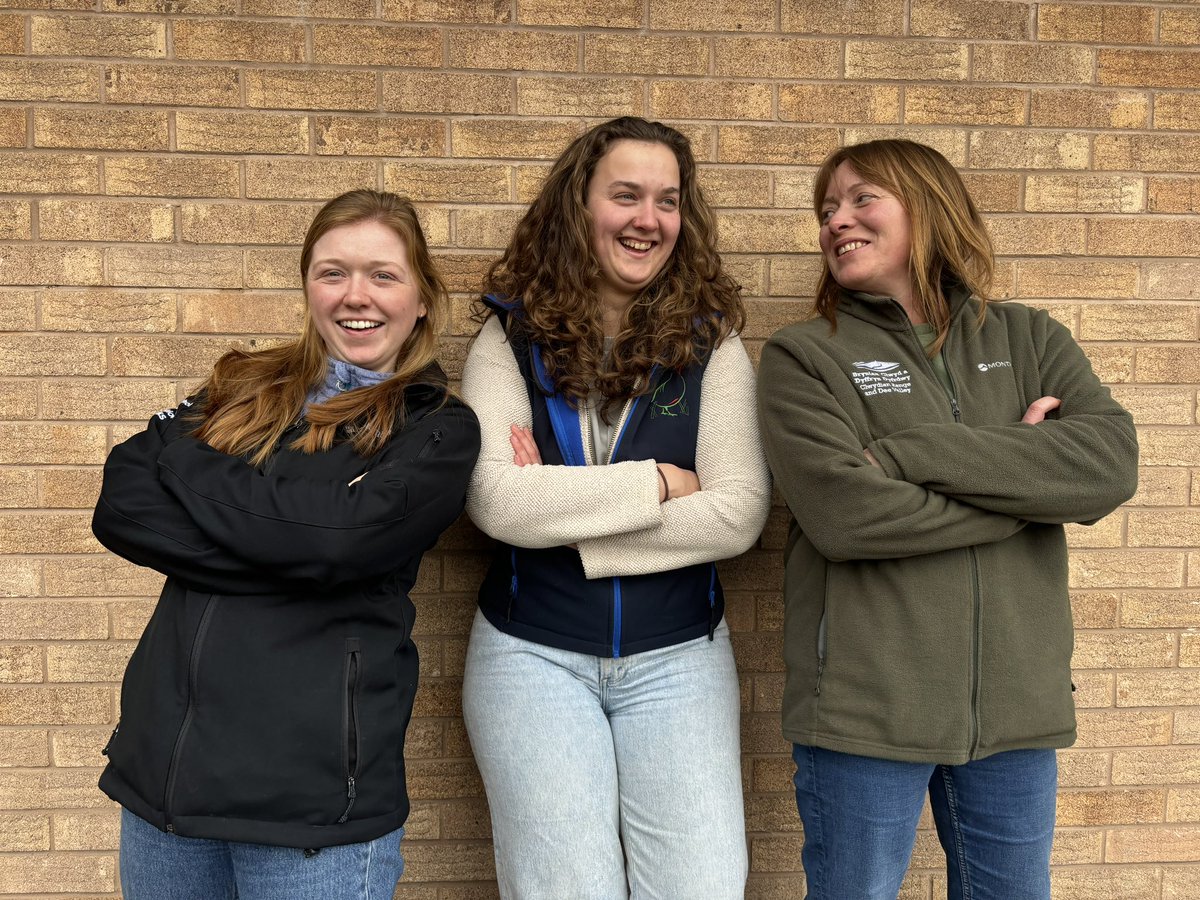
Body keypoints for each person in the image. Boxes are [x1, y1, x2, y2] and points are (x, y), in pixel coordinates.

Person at [757, 138, 1139, 900]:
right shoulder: (803, 356)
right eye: (827, 208)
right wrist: (1024, 488)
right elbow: (845, 517)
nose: (837, 220)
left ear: (926, 205)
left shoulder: (1031, 337)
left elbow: (1108, 466)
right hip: (866, 711)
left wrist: (910, 454)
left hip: (1016, 714)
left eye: (863, 198)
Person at [91, 189, 480, 900]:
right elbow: (119, 503)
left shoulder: (437, 431)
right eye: (332, 272)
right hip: (165, 793)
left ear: (422, 296)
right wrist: (289, 553)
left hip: (311, 816)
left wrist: (184, 460)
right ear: (307, 284)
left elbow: (338, 542)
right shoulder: (244, 383)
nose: (354, 295)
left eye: (383, 275)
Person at [459, 116, 771, 899]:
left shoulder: (713, 347)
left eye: (667, 200)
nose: (648, 219)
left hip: (680, 658)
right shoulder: (508, 341)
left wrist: (564, 522)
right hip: (530, 656)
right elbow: (496, 501)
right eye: (625, 195)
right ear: (578, 206)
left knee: (702, 886)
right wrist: (660, 484)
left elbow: (738, 515)